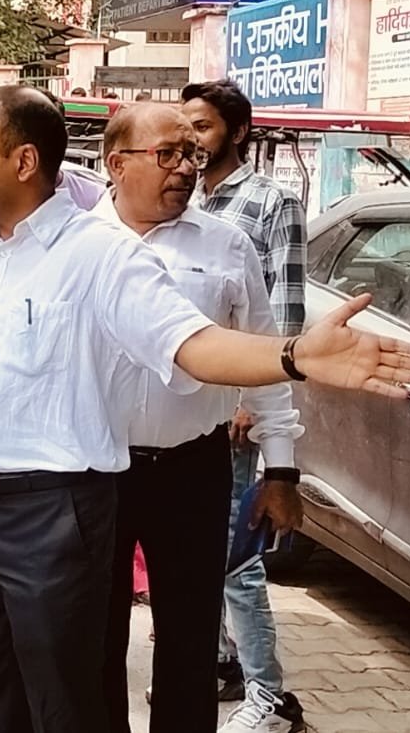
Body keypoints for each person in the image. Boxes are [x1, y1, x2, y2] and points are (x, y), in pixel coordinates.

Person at [0, 85, 410, 733]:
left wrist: (293, 358)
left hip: (66, 506)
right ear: (116, 163)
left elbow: (195, 345)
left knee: (79, 693)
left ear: (22, 161)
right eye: (168, 153)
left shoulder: (100, 254)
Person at [90, 104, 303, 732]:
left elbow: (262, 357)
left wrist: (281, 470)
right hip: (94, 469)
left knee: (189, 635)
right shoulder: (77, 244)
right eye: (168, 154)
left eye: (193, 154)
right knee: (95, 632)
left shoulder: (226, 245)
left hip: (193, 468)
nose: (186, 168)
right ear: (117, 163)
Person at [183, 79, 309, 733]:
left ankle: (270, 696)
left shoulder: (270, 202)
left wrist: (250, 406)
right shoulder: (182, 198)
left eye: (202, 127)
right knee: (199, 549)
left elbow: (282, 319)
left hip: (237, 410)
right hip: (190, 411)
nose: (191, 141)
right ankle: (220, 661)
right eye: (184, 128)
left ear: (235, 131)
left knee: (236, 557)